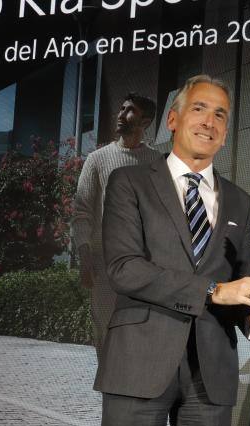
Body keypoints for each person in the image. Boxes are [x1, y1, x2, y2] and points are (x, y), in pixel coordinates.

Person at [96, 75, 250, 426]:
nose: (211, 120)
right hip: (139, 364)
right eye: (200, 108)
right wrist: (212, 292)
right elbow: (124, 268)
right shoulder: (129, 182)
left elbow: (237, 284)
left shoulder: (237, 199)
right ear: (174, 119)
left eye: (221, 114)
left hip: (211, 373)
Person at [72, 92, 160, 359]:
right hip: (105, 266)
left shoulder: (157, 163)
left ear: (145, 122)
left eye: (129, 110)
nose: (121, 115)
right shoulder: (97, 160)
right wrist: (85, 257)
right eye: (121, 109)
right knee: (107, 334)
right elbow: (82, 212)